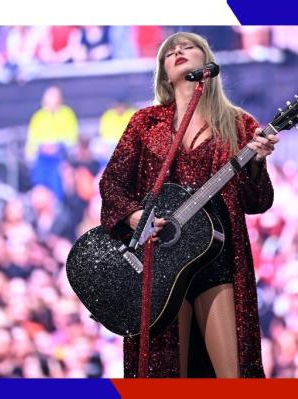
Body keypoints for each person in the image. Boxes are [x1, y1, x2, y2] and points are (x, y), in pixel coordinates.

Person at [99, 32, 278, 378]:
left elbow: (257, 201)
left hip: (217, 258)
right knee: (166, 373)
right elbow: (112, 183)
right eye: (170, 52)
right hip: (162, 261)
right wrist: (136, 218)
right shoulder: (144, 123)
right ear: (165, 74)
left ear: (207, 62)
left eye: (189, 47)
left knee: (233, 375)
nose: (179, 51)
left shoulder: (239, 124)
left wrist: (257, 164)